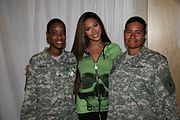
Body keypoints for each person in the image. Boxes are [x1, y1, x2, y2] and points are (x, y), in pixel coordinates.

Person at [108, 16, 180, 120]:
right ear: (124, 33)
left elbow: (167, 100)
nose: (132, 36)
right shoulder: (117, 60)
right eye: (129, 32)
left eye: (138, 33)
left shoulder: (156, 61)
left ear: (144, 35)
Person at [21, 18, 77, 120]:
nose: (59, 37)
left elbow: (76, 87)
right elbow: (30, 97)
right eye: (54, 33)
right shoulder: (36, 61)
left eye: (62, 33)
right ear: (48, 36)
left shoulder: (72, 59)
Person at [71, 12, 122, 120]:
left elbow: (124, 75)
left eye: (96, 25)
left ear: (101, 25)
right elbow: (65, 72)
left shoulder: (114, 49)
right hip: (84, 109)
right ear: (83, 32)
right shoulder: (78, 53)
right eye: (88, 29)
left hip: (111, 108)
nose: (94, 31)